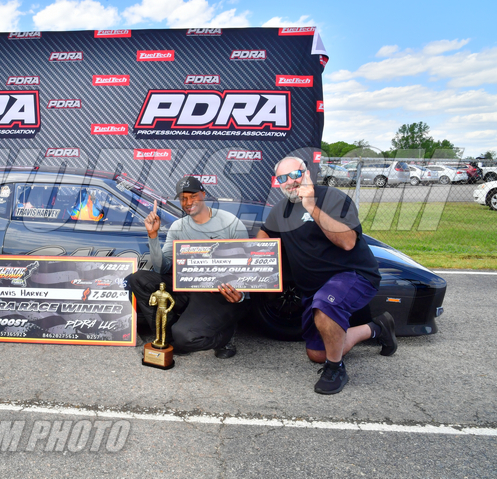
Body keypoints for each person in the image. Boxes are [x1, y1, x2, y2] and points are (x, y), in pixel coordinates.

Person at [257, 156, 397, 395]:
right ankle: (377, 328)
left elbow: (348, 242)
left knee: (325, 305)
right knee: (317, 354)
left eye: (295, 174)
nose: (290, 181)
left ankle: (336, 369)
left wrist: (311, 206)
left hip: (353, 275)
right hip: (314, 289)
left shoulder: (333, 198)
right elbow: (264, 235)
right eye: (283, 178)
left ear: (307, 173)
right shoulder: (280, 210)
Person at [126, 176, 249, 358]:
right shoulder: (178, 226)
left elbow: (246, 266)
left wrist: (242, 296)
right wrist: (153, 235)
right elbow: (161, 268)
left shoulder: (230, 222)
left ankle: (225, 336)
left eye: (193, 196)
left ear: (203, 194)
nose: (188, 202)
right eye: (183, 198)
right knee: (138, 279)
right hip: (187, 286)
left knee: (186, 339)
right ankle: (167, 338)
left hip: (218, 294)